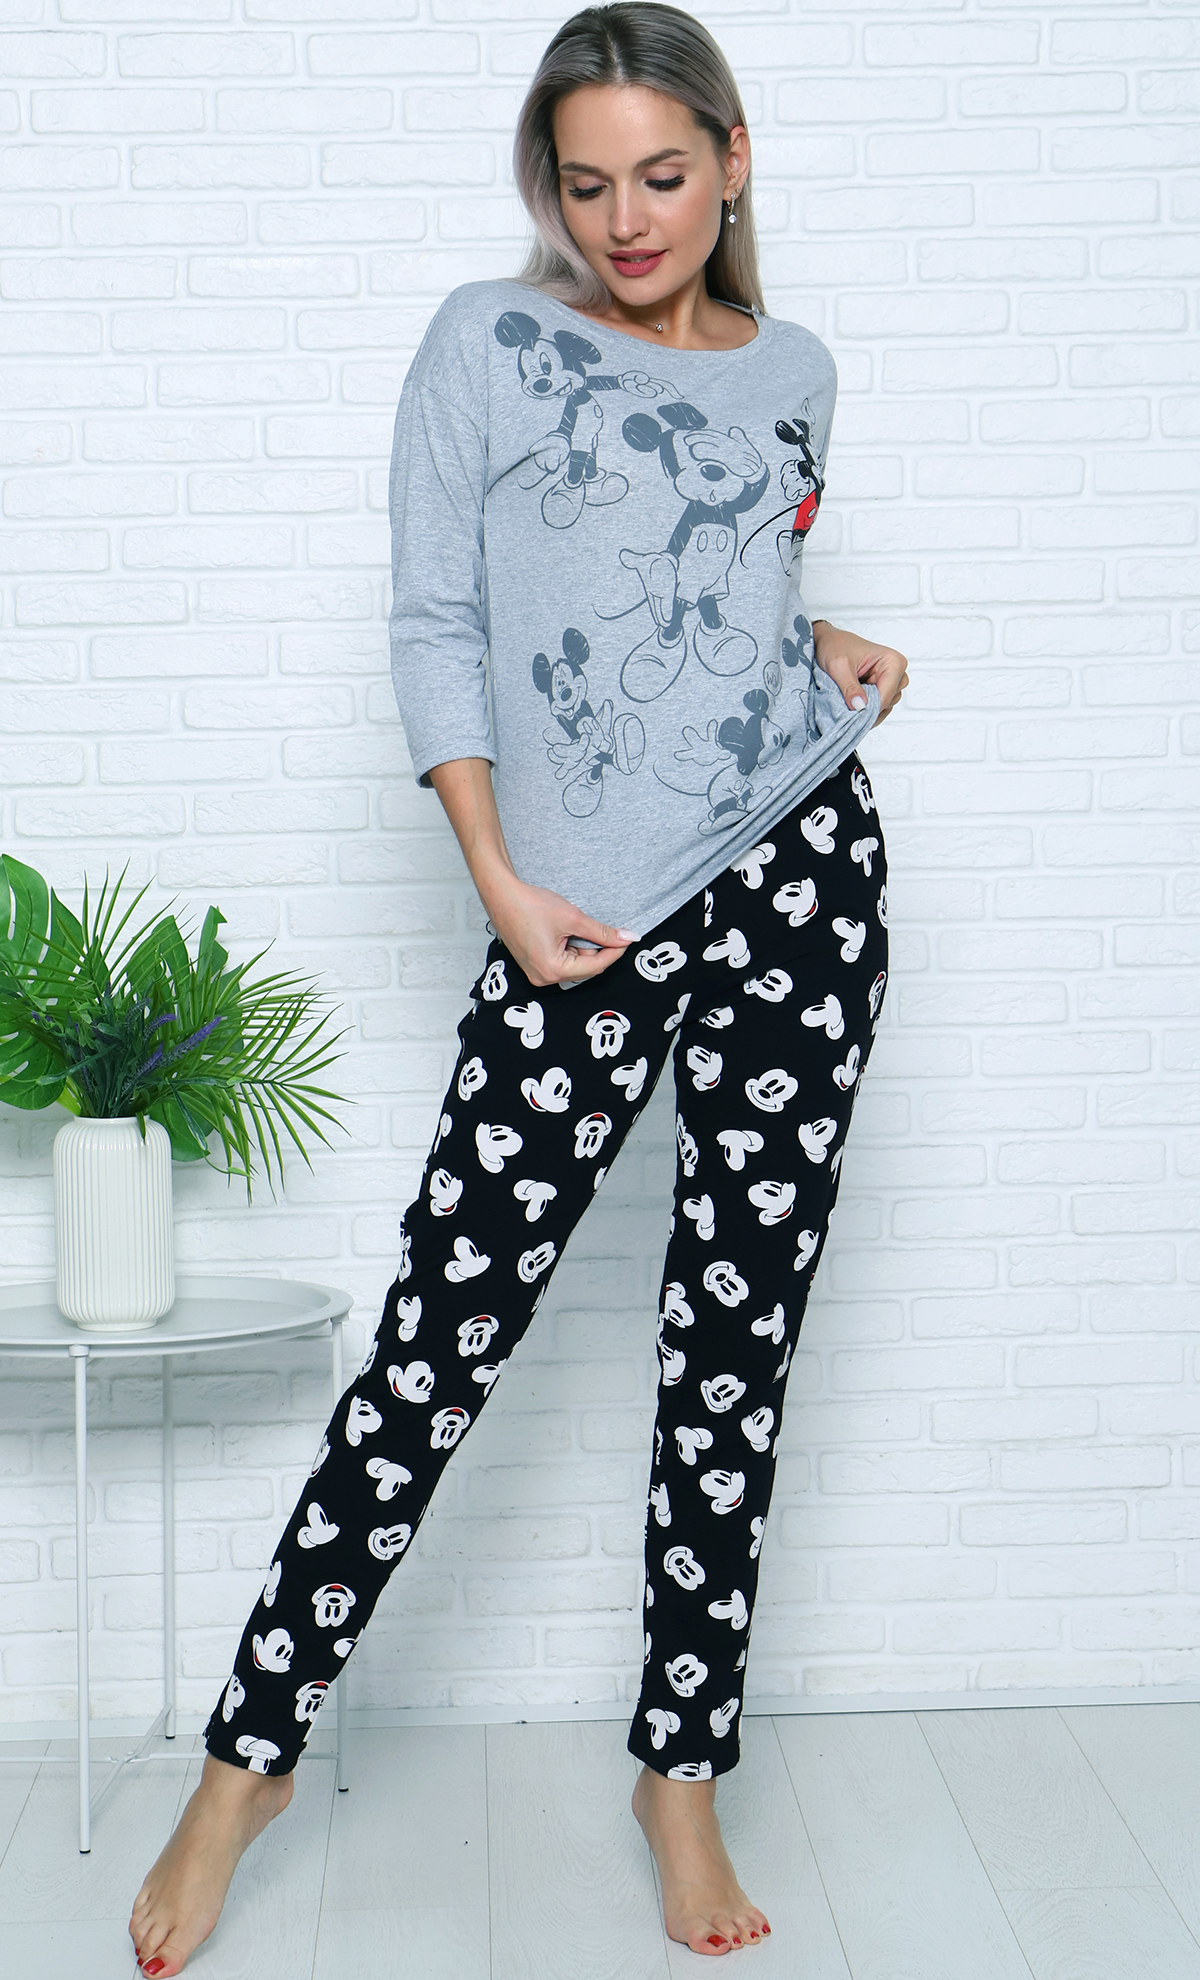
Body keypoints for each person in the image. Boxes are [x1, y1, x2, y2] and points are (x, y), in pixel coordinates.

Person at [129, 4, 909, 1969]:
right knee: (437, 1348)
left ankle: (680, 1776)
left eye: (665, 175)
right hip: (573, 919)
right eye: (587, 183)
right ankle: (244, 1765)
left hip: (803, 883)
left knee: (731, 1359)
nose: (628, 219)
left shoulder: (797, 371)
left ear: (733, 161)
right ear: (545, 189)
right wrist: (499, 880)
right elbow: (441, 618)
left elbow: (705, 595)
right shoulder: (485, 344)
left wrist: (822, 647)